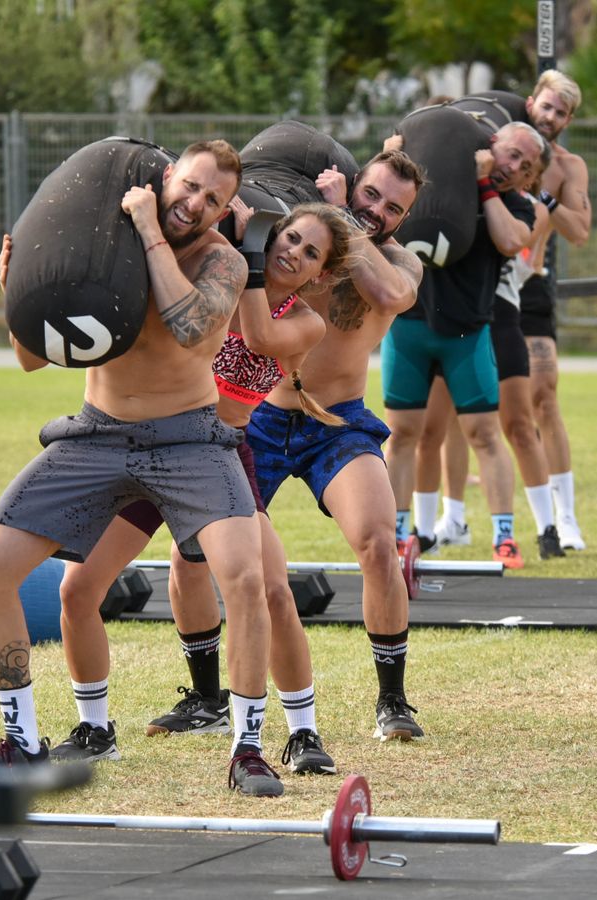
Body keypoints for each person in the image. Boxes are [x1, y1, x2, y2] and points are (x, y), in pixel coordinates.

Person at [0, 140, 292, 797]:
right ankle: (23, 742)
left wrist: (149, 230)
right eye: (190, 185)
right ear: (167, 176)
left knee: (245, 577)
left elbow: (193, 330)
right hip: (97, 434)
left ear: (224, 213)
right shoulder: (104, 243)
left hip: (190, 441)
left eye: (213, 200)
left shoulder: (222, 261)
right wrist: (13, 293)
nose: (194, 203)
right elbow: (34, 360)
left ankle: (248, 749)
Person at [49, 204, 353, 778]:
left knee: (271, 590)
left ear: (321, 274)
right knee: (78, 587)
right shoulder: (216, 275)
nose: (293, 251)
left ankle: (302, 731)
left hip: (217, 453)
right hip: (150, 442)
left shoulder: (304, 321)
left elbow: (259, 334)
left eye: (310, 252)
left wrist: (248, 252)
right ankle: (95, 730)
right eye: (290, 237)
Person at [241, 148, 430, 742]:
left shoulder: (399, 260)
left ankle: (392, 701)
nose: (378, 211)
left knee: (377, 542)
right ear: (353, 183)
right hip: (263, 415)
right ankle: (204, 698)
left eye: (393, 208)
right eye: (371, 194)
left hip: (339, 423)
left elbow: (391, 296)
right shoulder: (302, 234)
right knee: (196, 551)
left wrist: (344, 213)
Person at [381, 121, 548, 570]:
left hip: (466, 334)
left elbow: (510, 241)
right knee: (403, 435)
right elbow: (372, 214)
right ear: (490, 144)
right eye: (511, 153)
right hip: (410, 327)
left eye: (525, 166)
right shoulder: (432, 182)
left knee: (485, 435)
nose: (513, 166)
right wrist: (389, 159)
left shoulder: (517, 204)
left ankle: (504, 537)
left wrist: (484, 183)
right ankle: (397, 536)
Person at [427, 185, 563, 560]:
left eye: (525, 166)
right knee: (442, 425)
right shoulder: (455, 191)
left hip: (500, 314)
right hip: (455, 317)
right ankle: (451, 520)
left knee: (518, 425)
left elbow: (527, 261)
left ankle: (547, 527)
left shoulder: (527, 207)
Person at [520, 70, 593, 550]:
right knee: (465, 409)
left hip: (530, 287)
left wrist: (543, 198)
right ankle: (448, 519)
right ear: (531, 103)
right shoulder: (497, 150)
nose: (550, 117)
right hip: (482, 287)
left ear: (568, 121)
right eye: (546, 106)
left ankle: (565, 519)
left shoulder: (567, 166)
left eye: (560, 112)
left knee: (544, 397)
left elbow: (580, 230)